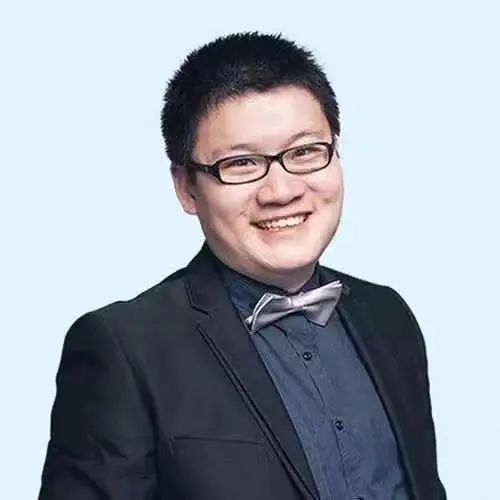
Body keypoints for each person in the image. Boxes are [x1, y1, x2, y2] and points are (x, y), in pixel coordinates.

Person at [38, 32, 446, 500]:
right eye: (241, 163)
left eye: (305, 152)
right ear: (187, 188)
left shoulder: (387, 315)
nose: (281, 191)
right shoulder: (124, 350)